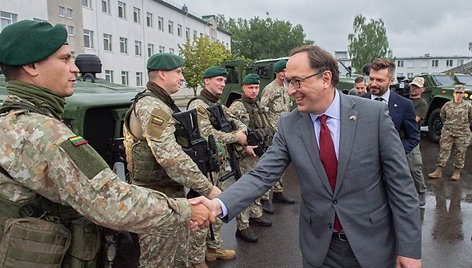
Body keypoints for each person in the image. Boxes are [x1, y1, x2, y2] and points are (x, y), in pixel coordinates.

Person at [0, 20, 215, 268]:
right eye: (65, 59)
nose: (75, 70)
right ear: (31, 66)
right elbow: (110, 200)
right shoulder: (44, 132)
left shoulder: (11, 120)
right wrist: (186, 210)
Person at [195, 45, 422, 267]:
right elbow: (262, 175)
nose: (290, 91)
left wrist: (409, 249)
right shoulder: (289, 124)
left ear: (325, 78)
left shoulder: (373, 115)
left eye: (296, 81)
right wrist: (219, 204)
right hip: (320, 249)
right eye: (287, 82)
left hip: (373, 245)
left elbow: (401, 186)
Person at [123, 53, 221, 268]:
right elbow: (170, 157)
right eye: (178, 72)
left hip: (167, 194)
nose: (182, 77)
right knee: (158, 260)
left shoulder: (161, 103)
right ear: (161, 74)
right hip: (156, 197)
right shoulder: (152, 106)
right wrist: (208, 189)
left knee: (176, 256)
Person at [187, 66, 246, 265]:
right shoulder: (199, 104)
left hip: (215, 164)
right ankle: (196, 259)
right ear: (206, 82)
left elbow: (234, 119)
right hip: (203, 166)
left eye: (224, 80)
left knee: (216, 208)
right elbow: (207, 134)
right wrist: (235, 137)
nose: (222, 84)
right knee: (202, 213)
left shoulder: (216, 103)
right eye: (218, 80)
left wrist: (243, 130)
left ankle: (214, 248)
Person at [228, 73, 273, 243]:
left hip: (258, 152)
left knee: (257, 187)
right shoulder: (237, 107)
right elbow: (231, 132)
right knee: (244, 190)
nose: (254, 91)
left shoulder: (257, 104)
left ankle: (255, 215)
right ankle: (242, 226)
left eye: (256, 87)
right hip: (244, 155)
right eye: (250, 88)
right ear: (243, 88)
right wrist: (243, 147)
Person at [362, 58, 420, 155]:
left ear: (391, 80)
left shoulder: (405, 105)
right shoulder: (359, 101)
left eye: (379, 80)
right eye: (371, 79)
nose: (373, 84)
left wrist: (395, 153)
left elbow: (413, 137)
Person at [260, 59, 296, 213]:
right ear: (276, 72)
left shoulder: (287, 88)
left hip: (284, 131)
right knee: (270, 164)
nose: (284, 74)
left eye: (286, 72)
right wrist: (267, 127)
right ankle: (264, 198)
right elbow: (262, 108)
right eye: (282, 72)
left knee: (282, 164)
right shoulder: (270, 89)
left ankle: (278, 192)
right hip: (272, 132)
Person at [428, 84, 472, 181]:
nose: (458, 95)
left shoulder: (468, 106)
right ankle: (438, 171)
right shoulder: (447, 105)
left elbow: (470, 118)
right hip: (448, 132)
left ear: (463, 94)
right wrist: (448, 126)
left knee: (460, 152)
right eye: (457, 92)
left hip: (462, 133)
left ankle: (457, 171)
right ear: (453, 93)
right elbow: (442, 117)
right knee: (444, 150)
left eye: (461, 93)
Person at [407, 76, 428, 206]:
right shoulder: (404, 100)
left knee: (415, 167)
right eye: (413, 86)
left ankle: (421, 191)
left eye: (417, 87)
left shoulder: (422, 104)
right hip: (398, 137)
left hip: (411, 139)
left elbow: (414, 120)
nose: (414, 89)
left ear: (423, 89)